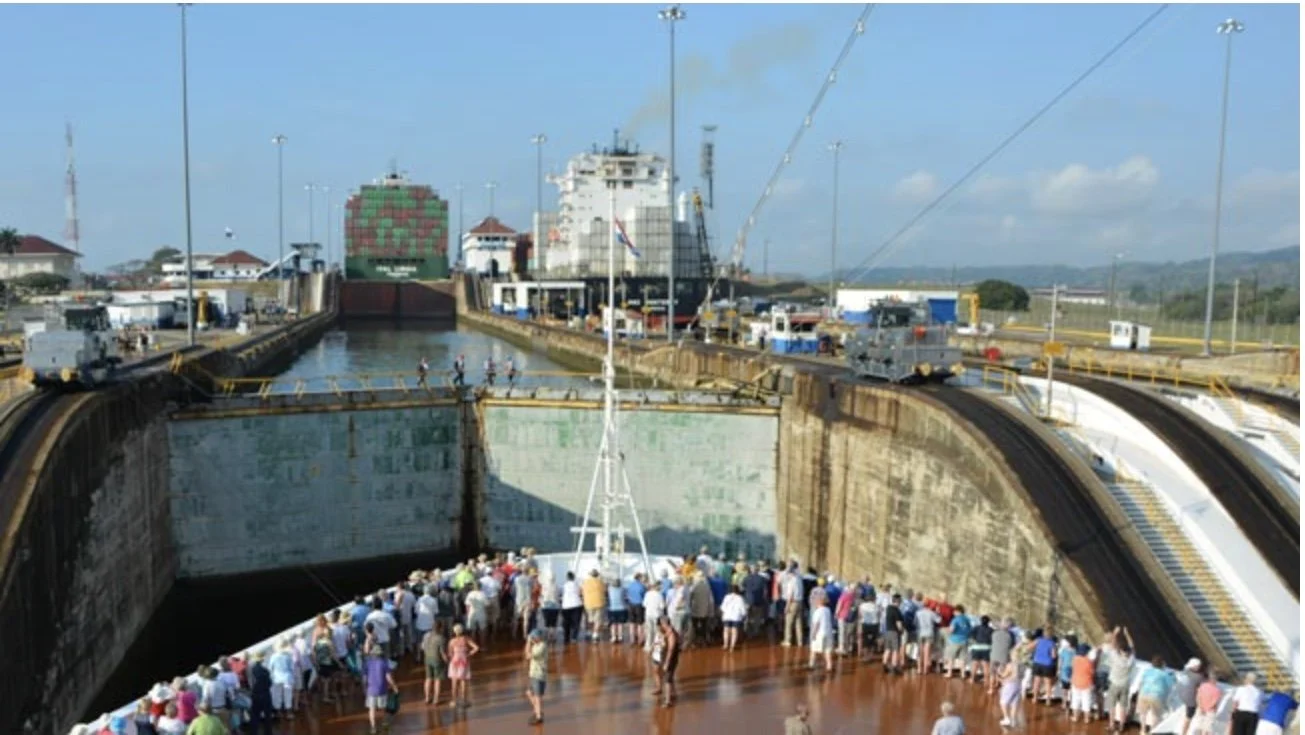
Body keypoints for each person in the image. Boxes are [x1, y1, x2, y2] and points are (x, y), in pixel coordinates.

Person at [363, 641, 399, 735]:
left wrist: (364, 688)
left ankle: (373, 727)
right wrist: (394, 687)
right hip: (382, 689)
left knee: (372, 709)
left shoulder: (368, 663)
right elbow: (389, 678)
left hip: (371, 689)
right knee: (383, 708)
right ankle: (384, 722)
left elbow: (364, 678)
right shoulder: (384, 663)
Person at [446, 623, 481, 709]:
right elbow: (476, 648)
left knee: (454, 682)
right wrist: (469, 654)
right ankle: (464, 701)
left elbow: (450, 653)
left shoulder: (452, 641)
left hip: (454, 661)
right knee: (463, 681)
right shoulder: (466, 639)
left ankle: (454, 701)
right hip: (464, 661)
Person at [650, 616, 681, 708]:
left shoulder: (672, 634)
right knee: (662, 674)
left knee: (668, 679)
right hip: (660, 655)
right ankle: (667, 691)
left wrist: (667, 662)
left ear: (664, 624)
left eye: (660, 624)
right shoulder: (663, 632)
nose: (659, 626)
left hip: (669, 658)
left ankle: (668, 701)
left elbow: (671, 649)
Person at [523, 629, 548, 725]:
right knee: (529, 693)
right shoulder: (537, 645)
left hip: (538, 675)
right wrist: (530, 643)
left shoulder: (541, 647)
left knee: (537, 696)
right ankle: (538, 711)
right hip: (535, 674)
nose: (532, 639)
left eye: (533, 637)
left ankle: (538, 716)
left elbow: (528, 656)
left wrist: (528, 643)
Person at [422, 621, 448, 706]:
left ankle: (427, 698)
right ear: (440, 628)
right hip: (437, 660)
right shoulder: (441, 638)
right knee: (437, 680)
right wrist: (447, 661)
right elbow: (442, 653)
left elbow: (422, 647)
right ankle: (436, 700)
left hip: (427, 659)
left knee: (428, 678)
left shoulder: (426, 636)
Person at [808, 589, 835, 672]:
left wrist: (813, 634)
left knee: (814, 650)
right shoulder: (828, 610)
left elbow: (816, 624)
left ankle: (811, 664)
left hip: (819, 634)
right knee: (827, 650)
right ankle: (829, 666)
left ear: (818, 602)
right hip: (828, 633)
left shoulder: (817, 612)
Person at [998, 656, 1023, 730]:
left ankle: (1006, 718)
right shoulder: (1021, 665)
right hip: (1018, 684)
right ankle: (1013, 720)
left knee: (1003, 702)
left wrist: (999, 671)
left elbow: (1003, 675)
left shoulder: (1010, 665)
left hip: (1009, 685)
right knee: (1014, 703)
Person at [720, 584, 748, 652]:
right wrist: (744, 615)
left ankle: (725, 645)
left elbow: (722, 607)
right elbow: (743, 609)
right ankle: (732, 647)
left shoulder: (726, 597)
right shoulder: (740, 598)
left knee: (726, 631)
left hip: (727, 616)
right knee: (734, 632)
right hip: (736, 617)